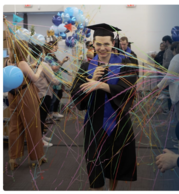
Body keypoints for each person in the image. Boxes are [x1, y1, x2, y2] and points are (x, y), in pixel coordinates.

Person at [71, 23, 137, 190]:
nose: (102, 48)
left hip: (118, 121)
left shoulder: (125, 63)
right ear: (93, 43)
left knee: (116, 162)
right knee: (95, 162)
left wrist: (101, 86)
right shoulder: (86, 67)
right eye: (98, 44)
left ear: (113, 44)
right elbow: (75, 93)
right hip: (94, 123)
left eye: (106, 44)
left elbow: (128, 90)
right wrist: (90, 79)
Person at [7, 39, 47, 170]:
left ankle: (13, 158)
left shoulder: (8, 62)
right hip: (26, 94)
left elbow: (21, 72)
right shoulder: (23, 62)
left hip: (13, 95)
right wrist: (40, 68)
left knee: (15, 126)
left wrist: (33, 65)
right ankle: (37, 157)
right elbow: (34, 78)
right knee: (33, 125)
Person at [29, 42, 61, 147]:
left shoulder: (27, 63)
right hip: (43, 94)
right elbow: (53, 80)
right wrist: (62, 82)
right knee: (41, 117)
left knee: (39, 117)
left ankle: (41, 136)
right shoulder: (43, 64)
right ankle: (40, 140)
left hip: (33, 95)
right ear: (40, 53)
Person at [44, 36, 69, 121]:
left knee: (57, 97)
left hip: (57, 80)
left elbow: (58, 66)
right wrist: (62, 62)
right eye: (55, 46)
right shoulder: (48, 57)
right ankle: (50, 115)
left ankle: (54, 113)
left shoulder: (53, 56)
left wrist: (63, 64)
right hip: (53, 81)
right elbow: (54, 68)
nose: (57, 47)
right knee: (52, 99)